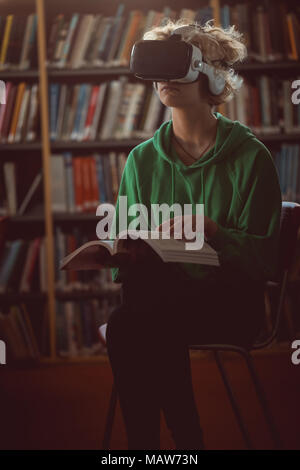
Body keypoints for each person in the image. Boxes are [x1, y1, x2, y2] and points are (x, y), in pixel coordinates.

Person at [105, 19, 282, 450]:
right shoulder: (141, 161)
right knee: (142, 307)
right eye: (156, 68)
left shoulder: (251, 158)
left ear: (208, 74)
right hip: (161, 303)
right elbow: (128, 260)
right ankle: (186, 440)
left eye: (174, 66)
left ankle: (151, 450)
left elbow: (268, 262)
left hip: (229, 304)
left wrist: (215, 233)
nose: (164, 80)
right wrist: (122, 255)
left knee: (128, 325)